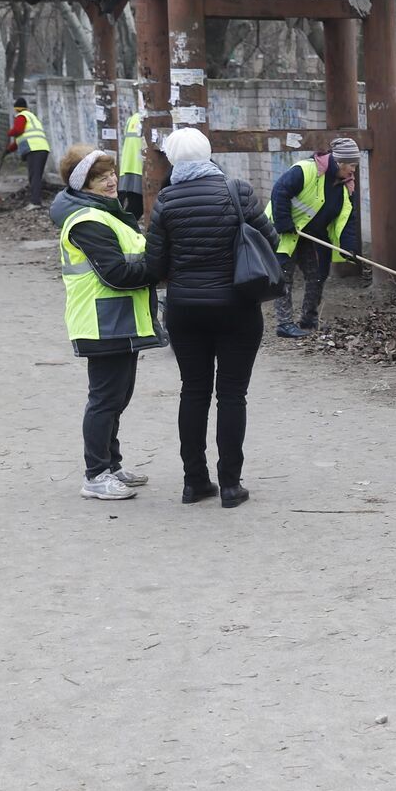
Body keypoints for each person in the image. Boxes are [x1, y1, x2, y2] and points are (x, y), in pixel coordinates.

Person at [145, 126, 278, 508]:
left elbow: (156, 265)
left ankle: (194, 482)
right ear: (208, 154)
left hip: (185, 311)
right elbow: (270, 241)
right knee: (233, 395)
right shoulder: (237, 191)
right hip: (237, 308)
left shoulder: (166, 202)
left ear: (172, 159)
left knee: (194, 391)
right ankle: (231, 486)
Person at [51, 142, 163, 500]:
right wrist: (160, 268)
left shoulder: (106, 213)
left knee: (117, 397)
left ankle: (112, 465)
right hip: (101, 322)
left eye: (111, 173)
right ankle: (95, 474)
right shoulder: (87, 220)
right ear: (83, 184)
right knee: (104, 399)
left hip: (118, 319)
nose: (112, 180)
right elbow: (116, 273)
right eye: (100, 177)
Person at [268, 136, 361, 338]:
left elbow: (346, 220)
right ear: (339, 162)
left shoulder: (344, 187)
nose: (353, 170)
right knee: (285, 275)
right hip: (285, 231)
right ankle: (284, 324)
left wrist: (350, 248)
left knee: (317, 274)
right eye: (351, 165)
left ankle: (308, 319)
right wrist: (284, 224)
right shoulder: (305, 170)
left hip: (310, 235)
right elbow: (279, 191)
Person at [8, 97, 52, 209]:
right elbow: (22, 138)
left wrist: (9, 132)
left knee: (34, 176)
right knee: (36, 175)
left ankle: (35, 202)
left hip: (34, 149)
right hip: (42, 149)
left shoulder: (21, 116)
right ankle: (36, 200)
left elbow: (18, 131)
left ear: (16, 109)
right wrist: (8, 150)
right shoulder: (32, 117)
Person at [117, 108, 146, 215]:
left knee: (133, 204)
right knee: (137, 206)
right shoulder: (147, 118)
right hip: (140, 168)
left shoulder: (132, 118)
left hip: (127, 167)